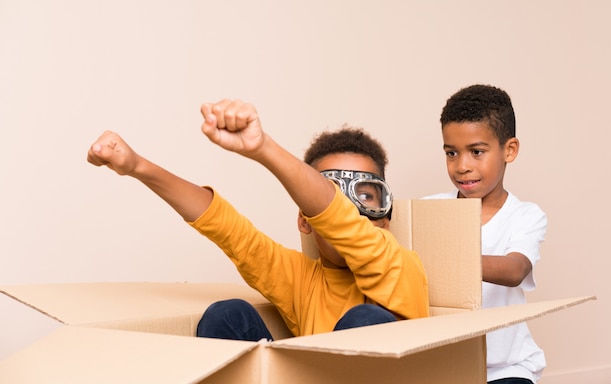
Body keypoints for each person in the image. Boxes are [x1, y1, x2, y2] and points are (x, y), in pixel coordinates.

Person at [87, 99, 429, 341]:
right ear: (305, 221)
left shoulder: (401, 267)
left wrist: (263, 147)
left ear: (385, 218)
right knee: (228, 315)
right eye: (332, 192)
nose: (351, 208)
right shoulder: (302, 281)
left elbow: (347, 228)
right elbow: (229, 231)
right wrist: (137, 167)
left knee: (365, 322)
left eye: (366, 196)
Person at [423, 84, 547, 384]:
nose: (462, 166)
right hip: (444, 366)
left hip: (506, 368)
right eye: (451, 153)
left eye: (476, 152)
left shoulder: (525, 216)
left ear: (509, 150)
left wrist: (449, 260)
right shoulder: (429, 211)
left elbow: (514, 269)